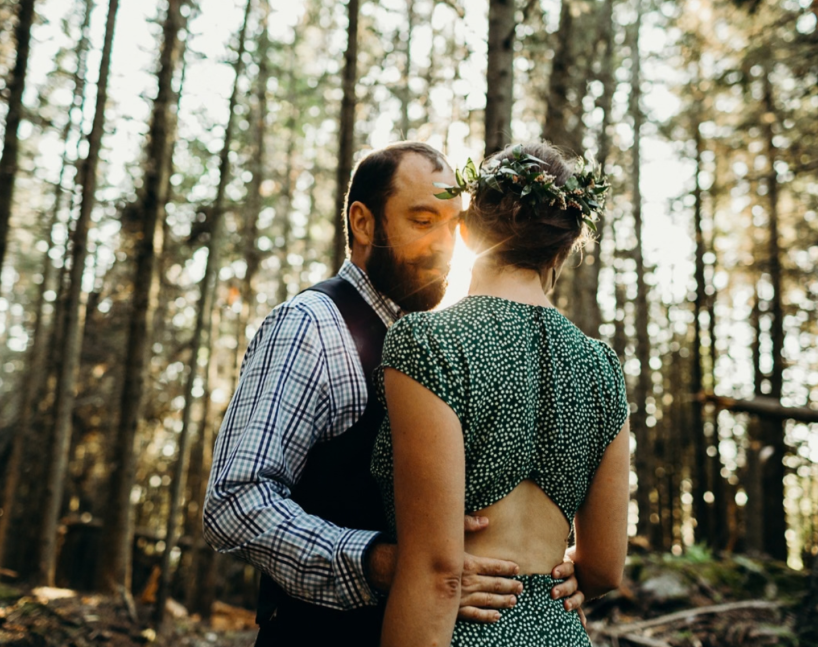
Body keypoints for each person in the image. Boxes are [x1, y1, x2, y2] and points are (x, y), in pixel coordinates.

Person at [203, 141, 587, 647]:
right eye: (423, 220)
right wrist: (380, 562)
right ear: (364, 224)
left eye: (454, 226)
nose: (445, 245)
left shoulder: (441, 344)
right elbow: (235, 500)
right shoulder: (311, 327)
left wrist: (559, 576)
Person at [371, 142, 631, 647]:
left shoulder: (428, 342)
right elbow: (603, 567)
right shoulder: (601, 367)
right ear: (562, 249)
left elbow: (439, 573)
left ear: (465, 231)